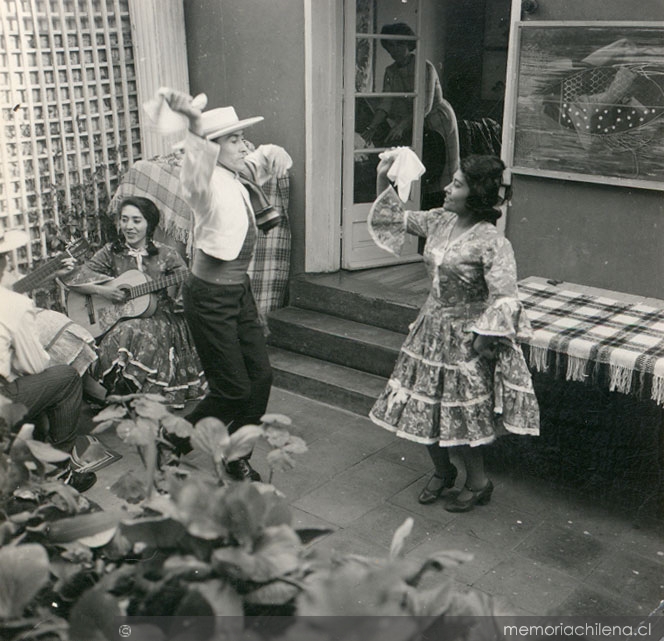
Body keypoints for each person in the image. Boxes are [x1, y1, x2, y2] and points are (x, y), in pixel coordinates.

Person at [367, 154, 540, 512]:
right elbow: (393, 218)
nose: (447, 187)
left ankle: (478, 482)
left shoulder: (492, 242)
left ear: (475, 194)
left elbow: (506, 296)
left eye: (457, 184)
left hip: (465, 338)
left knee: (460, 414)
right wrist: (383, 177)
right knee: (421, 403)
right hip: (429, 330)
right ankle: (442, 471)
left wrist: (483, 338)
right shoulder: (439, 220)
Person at [163, 89, 292, 482]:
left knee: (261, 378)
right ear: (210, 148)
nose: (243, 145)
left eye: (241, 138)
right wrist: (195, 129)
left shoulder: (234, 176)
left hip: (238, 291)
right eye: (233, 139)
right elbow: (195, 171)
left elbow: (257, 161)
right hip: (209, 296)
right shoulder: (203, 184)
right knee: (233, 389)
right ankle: (170, 441)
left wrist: (271, 152)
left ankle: (237, 453)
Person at [63, 196, 205, 408]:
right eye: (124, 219)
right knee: (125, 330)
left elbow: (189, 284)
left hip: (161, 316)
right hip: (121, 316)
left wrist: (182, 300)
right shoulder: (111, 251)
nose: (129, 226)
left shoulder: (166, 253)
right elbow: (75, 281)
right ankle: (120, 393)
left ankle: (129, 395)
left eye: (136, 221)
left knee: (133, 331)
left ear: (149, 224)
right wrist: (104, 290)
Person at [0, 229, 96, 492]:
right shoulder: (13, 304)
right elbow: (35, 366)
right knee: (64, 378)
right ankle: (60, 471)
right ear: (6, 260)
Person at [361, 22, 460, 208]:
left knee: (441, 172)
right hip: (411, 122)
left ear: (407, 45)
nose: (393, 50)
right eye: (389, 47)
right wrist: (372, 127)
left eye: (397, 45)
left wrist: (401, 126)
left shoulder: (425, 67)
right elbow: (386, 103)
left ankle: (438, 210)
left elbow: (425, 105)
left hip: (437, 122)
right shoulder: (390, 71)